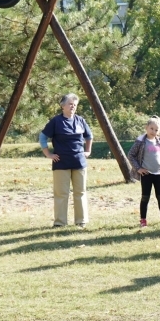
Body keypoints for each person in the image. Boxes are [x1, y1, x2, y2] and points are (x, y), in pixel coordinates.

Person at [39, 93, 93, 228]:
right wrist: (48, 154)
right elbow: (42, 137)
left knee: (80, 192)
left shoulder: (81, 120)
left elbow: (89, 136)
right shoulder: (56, 121)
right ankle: (60, 223)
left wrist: (88, 151)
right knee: (61, 194)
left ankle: (81, 222)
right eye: (70, 104)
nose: (72, 107)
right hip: (61, 162)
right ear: (62, 106)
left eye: (74, 105)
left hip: (79, 161)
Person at [128, 116, 160, 227]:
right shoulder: (140, 142)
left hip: (159, 174)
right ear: (146, 128)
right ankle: (143, 220)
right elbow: (131, 155)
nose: (153, 131)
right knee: (145, 197)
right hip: (146, 174)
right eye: (151, 128)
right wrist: (138, 168)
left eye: (156, 130)